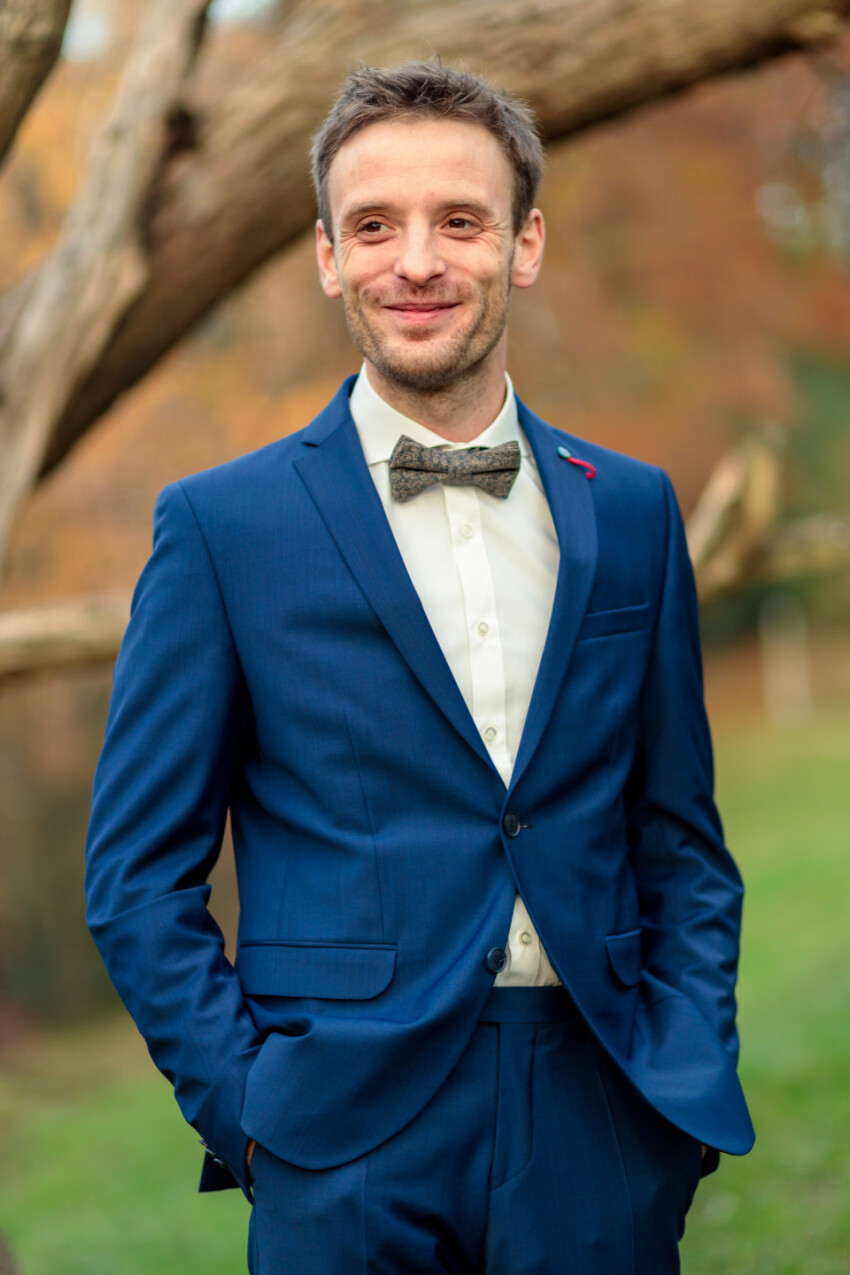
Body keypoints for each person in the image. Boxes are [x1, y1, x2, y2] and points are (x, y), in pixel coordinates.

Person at [86, 60, 754, 1275]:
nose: (418, 261)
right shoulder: (221, 528)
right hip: (338, 1132)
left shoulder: (637, 511)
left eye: (460, 220)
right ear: (330, 256)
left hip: (600, 1110)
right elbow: (136, 876)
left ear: (525, 243)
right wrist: (251, 1114)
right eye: (374, 225)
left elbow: (683, 841)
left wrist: (685, 1068)